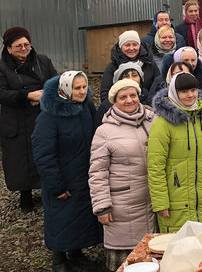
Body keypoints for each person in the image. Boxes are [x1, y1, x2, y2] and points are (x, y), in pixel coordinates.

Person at [32, 71, 102, 271]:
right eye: (76, 88)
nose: (82, 92)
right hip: (63, 177)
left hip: (83, 175)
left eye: (83, 87)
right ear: (65, 89)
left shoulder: (86, 107)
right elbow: (43, 154)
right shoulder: (49, 116)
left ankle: (77, 253)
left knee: (81, 216)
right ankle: (59, 259)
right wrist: (56, 185)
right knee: (61, 218)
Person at [88, 79, 156, 271]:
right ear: (114, 101)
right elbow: (97, 172)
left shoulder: (153, 120)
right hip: (123, 205)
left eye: (133, 95)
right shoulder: (105, 131)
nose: (129, 100)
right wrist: (102, 206)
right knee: (125, 262)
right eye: (123, 97)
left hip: (152, 202)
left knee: (152, 257)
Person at [148, 72, 202, 232]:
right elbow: (155, 166)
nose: (190, 95)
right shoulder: (162, 123)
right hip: (175, 200)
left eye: (193, 90)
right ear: (175, 93)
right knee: (179, 249)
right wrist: (160, 202)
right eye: (184, 92)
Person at [0, 27, 57, 212]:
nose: (24, 48)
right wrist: (27, 96)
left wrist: (44, 95)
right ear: (9, 48)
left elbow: (55, 82)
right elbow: (2, 93)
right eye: (18, 46)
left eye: (27, 44)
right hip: (15, 118)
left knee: (44, 152)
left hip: (41, 115)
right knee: (20, 158)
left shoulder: (42, 61)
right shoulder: (2, 67)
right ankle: (25, 194)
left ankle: (47, 190)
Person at [100, 30, 160, 102]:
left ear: (139, 46)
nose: (131, 48)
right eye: (127, 45)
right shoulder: (113, 67)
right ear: (120, 47)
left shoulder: (149, 63)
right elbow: (105, 94)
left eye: (135, 44)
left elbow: (158, 86)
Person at [95, 62, 151, 128]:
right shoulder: (107, 106)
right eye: (126, 76)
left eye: (134, 75)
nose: (131, 79)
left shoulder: (149, 100)